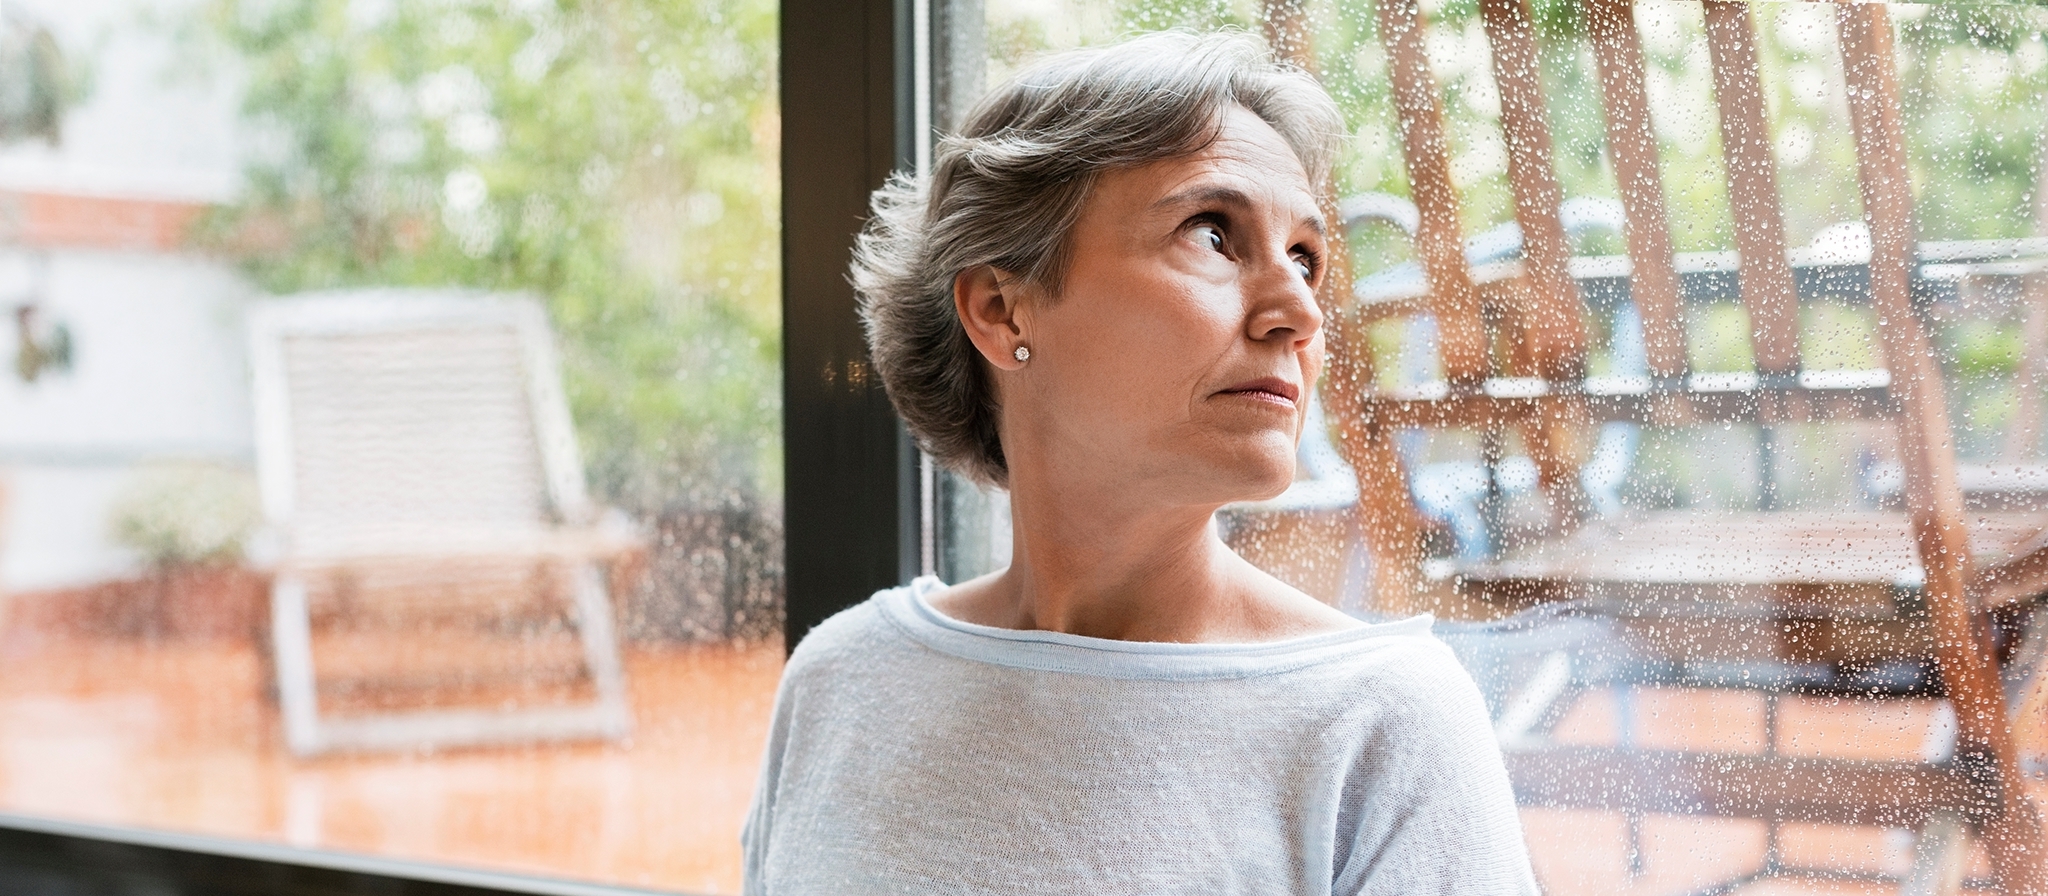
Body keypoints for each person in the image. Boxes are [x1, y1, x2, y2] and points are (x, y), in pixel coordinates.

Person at [743, 30, 1536, 895]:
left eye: (1305, 257)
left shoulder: (1382, 724)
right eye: (1213, 234)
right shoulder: (843, 680)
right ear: (1003, 310)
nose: (1299, 313)